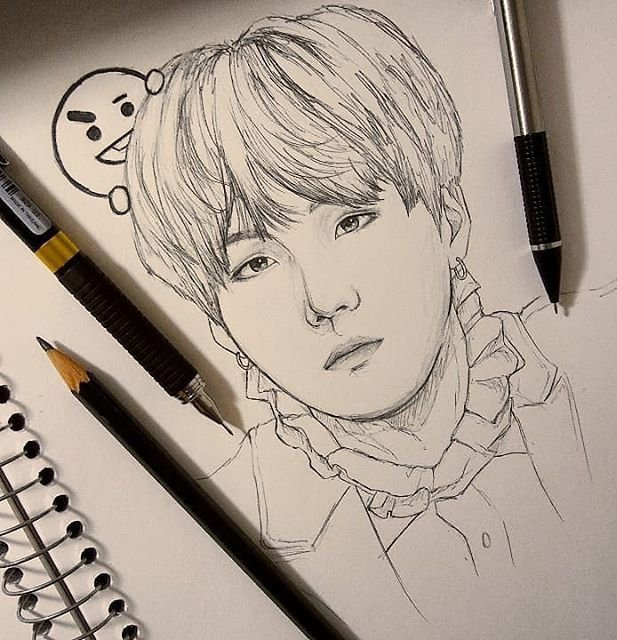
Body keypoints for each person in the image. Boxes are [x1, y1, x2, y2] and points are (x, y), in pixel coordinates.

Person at [125, 5, 590, 636]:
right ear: (217, 322)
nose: (325, 299)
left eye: (350, 220)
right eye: (255, 263)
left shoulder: (587, 371)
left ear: (449, 219)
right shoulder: (221, 519)